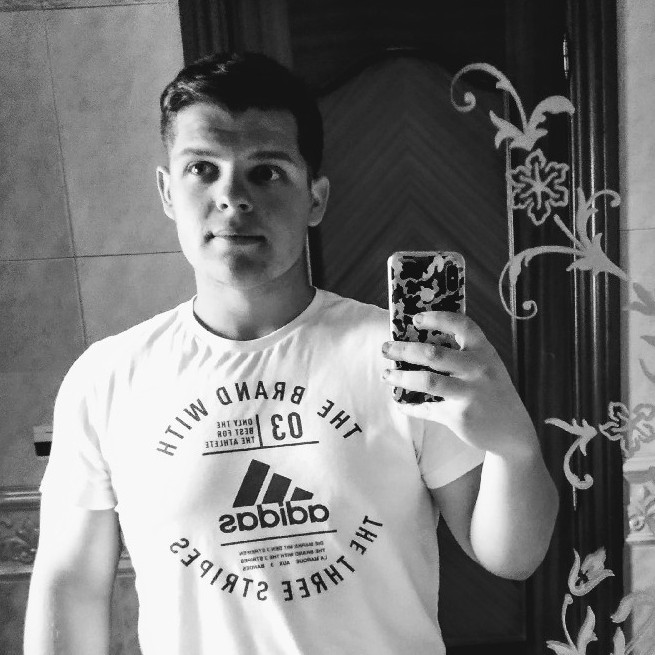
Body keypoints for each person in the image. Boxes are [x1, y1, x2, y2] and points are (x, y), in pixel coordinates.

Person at [24, 52, 558, 655]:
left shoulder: (401, 356)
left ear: (315, 198)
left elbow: (512, 556)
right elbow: (70, 584)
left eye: (267, 172)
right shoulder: (107, 378)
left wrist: (514, 446)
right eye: (202, 168)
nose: (233, 197)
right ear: (168, 191)